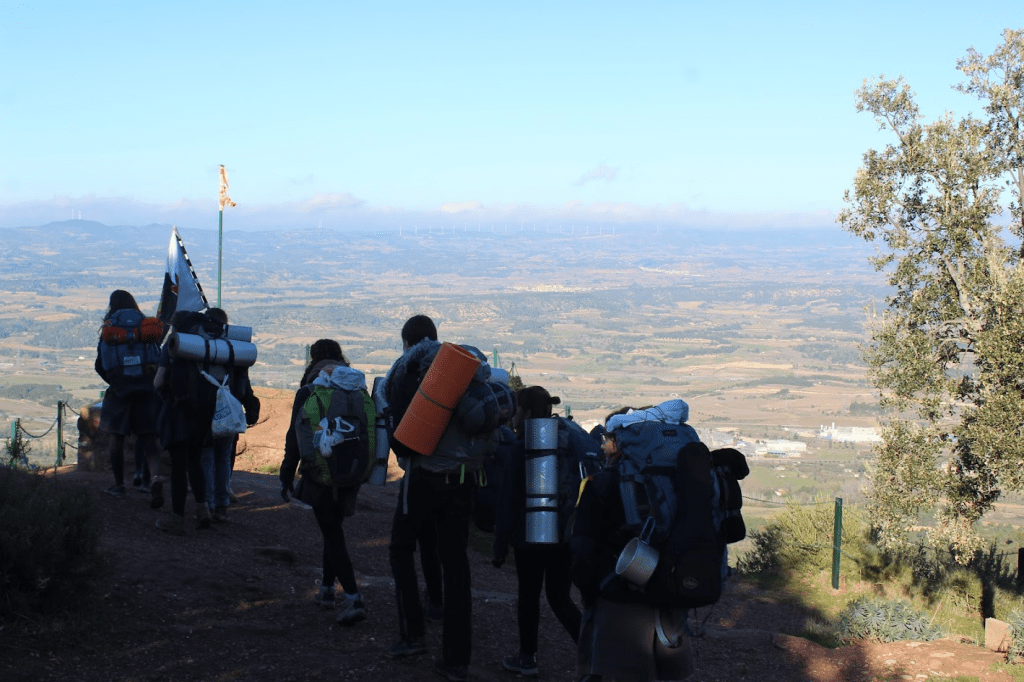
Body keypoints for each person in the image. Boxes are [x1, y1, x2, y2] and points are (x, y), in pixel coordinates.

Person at [385, 314, 485, 682]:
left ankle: (412, 634)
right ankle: (457, 659)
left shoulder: (410, 371)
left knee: (400, 548)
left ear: (407, 342)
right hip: (463, 478)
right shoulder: (462, 371)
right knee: (455, 563)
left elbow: (401, 441)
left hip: (423, 477)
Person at [570, 411, 695, 682]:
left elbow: (583, 549)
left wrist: (588, 591)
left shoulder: (600, 483)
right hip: (667, 595)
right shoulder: (676, 482)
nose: (602, 445)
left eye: (607, 439)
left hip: (616, 598)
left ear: (620, 442)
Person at [279, 339, 370, 626]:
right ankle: (327, 590)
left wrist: (286, 474)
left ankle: (353, 598)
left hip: (319, 471)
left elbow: (294, 437)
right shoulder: (356, 388)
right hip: (352, 471)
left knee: (332, 533)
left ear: (313, 360)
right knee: (333, 529)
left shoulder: (309, 390)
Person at [493, 386, 582, 678]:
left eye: (517, 409)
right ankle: (593, 653)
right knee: (560, 599)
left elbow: (509, 500)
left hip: (530, 534)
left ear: (528, 412)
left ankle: (527, 658)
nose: (513, 415)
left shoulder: (522, 446)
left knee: (528, 596)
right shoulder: (565, 439)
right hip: (562, 532)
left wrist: (500, 546)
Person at [94, 289, 164, 508]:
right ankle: (153, 479)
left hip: (119, 391)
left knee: (116, 438)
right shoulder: (145, 326)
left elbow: (100, 364)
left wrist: (115, 381)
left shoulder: (111, 329)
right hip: (146, 388)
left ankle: (119, 484)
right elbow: (158, 356)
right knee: (149, 438)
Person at [199, 308, 258, 522]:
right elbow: (243, 385)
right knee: (223, 459)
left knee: (206, 459)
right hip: (229, 412)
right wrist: (250, 409)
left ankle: (207, 504)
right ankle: (222, 505)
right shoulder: (235, 351)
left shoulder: (198, 349)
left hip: (204, 412)